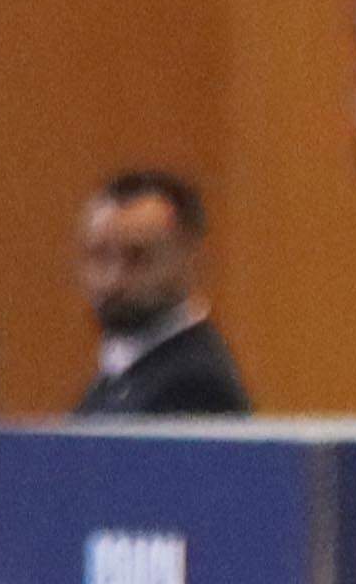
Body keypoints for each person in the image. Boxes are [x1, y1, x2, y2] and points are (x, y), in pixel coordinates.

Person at [71, 170, 248, 416]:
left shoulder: (195, 386)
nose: (113, 280)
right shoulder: (119, 372)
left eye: (137, 257)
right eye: (100, 256)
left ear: (189, 260)